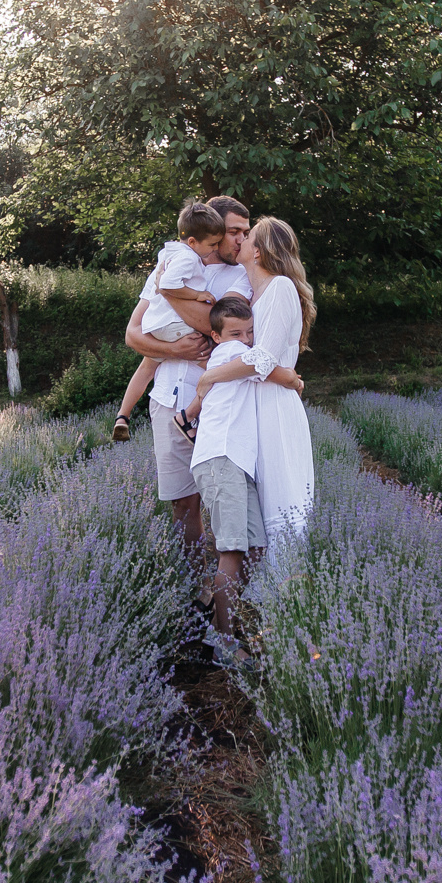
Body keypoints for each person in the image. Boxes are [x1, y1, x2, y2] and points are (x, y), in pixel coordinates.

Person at [121, 196, 253, 556]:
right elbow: (134, 334)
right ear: (208, 231)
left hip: (215, 405)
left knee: (226, 498)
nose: (242, 239)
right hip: (166, 400)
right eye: (233, 232)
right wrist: (173, 350)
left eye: (246, 231)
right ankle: (194, 585)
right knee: (183, 503)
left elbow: (215, 325)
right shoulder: (170, 262)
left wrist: (169, 290)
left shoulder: (240, 275)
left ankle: (231, 590)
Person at [191, 215, 316, 546]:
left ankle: (289, 590)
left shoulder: (280, 287)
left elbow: (263, 358)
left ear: (258, 252)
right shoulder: (253, 296)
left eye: (248, 237)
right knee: (259, 506)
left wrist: (211, 377)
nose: (240, 241)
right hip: (253, 408)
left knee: (282, 500)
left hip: (274, 407)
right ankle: (266, 592)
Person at [186, 292, 264, 663]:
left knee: (255, 547)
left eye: (249, 332)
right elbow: (266, 363)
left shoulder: (230, 354)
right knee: (232, 550)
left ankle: (211, 611)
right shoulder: (230, 355)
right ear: (217, 337)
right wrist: (293, 379)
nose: (245, 340)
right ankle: (223, 642)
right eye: (236, 333)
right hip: (221, 458)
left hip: (233, 460)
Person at [111, 201, 229, 442]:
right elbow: (166, 286)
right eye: (212, 244)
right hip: (175, 325)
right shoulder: (188, 258)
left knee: (146, 368)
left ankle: (123, 416)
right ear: (194, 242)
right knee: (210, 356)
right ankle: (188, 417)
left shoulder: (170, 253)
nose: (215, 249)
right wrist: (197, 295)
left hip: (157, 324)